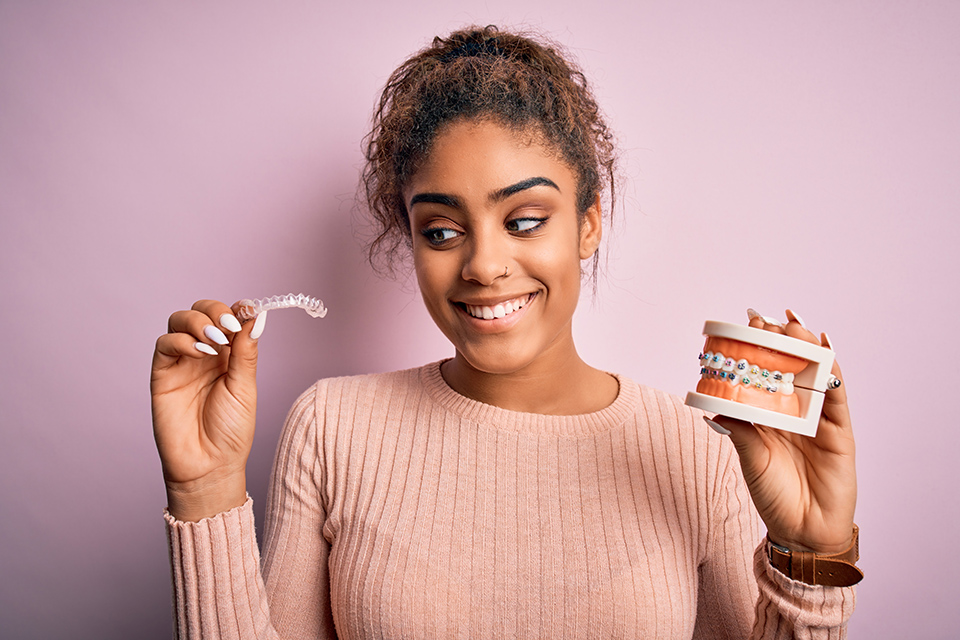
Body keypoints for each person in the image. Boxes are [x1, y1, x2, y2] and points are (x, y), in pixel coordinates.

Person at [151, 26, 859, 639]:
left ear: (588, 222)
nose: (484, 265)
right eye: (442, 229)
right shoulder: (332, 428)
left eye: (524, 221)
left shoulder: (695, 453)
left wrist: (811, 556)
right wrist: (206, 487)